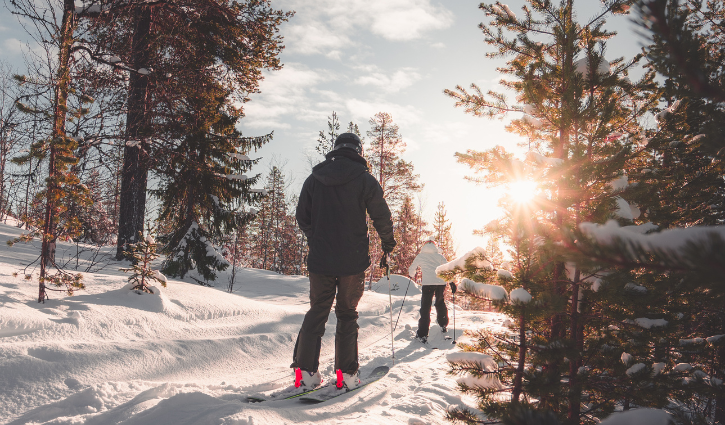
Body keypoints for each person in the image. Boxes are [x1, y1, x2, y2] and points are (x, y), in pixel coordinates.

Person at [293, 132, 396, 392]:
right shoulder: (364, 180)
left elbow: (302, 216)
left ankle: (304, 374)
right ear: (358, 151)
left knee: (317, 311)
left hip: (320, 261)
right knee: (347, 314)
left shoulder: (314, 178)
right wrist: (387, 244)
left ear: (335, 149)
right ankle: (346, 375)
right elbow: (381, 216)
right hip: (352, 262)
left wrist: (315, 237)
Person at [408, 240, 449, 343]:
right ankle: (443, 324)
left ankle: (422, 333)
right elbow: (448, 269)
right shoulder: (440, 256)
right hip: (440, 283)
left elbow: (412, 269)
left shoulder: (421, 256)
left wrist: (411, 274)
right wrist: (452, 282)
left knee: (426, 306)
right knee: (440, 302)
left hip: (428, 284)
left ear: (424, 246)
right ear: (435, 246)